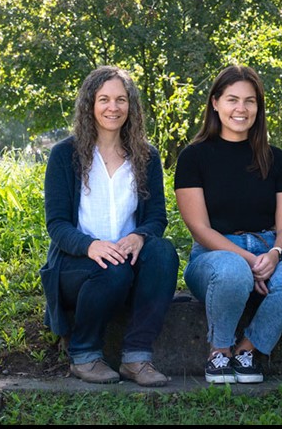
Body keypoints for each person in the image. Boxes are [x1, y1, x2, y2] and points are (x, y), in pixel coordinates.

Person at [174, 64, 282, 384]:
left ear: (258, 107)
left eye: (250, 101)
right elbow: (200, 229)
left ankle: (247, 348)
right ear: (215, 102)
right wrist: (249, 262)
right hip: (214, 258)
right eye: (232, 99)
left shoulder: (277, 159)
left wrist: (275, 254)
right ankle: (219, 351)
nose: (241, 108)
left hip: (269, 253)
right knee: (232, 270)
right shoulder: (193, 158)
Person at [40, 65, 179, 386]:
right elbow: (57, 224)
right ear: (90, 104)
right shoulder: (65, 155)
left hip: (128, 259)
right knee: (112, 269)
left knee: (163, 252)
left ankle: (137, 358)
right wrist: (90, 246)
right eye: (104, 99)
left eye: (121, 99)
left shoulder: (147, 156)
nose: (112, 108)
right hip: (77, 265)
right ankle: (85, 355)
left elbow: (157, 216)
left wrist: (140, 236)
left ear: (131, 106)